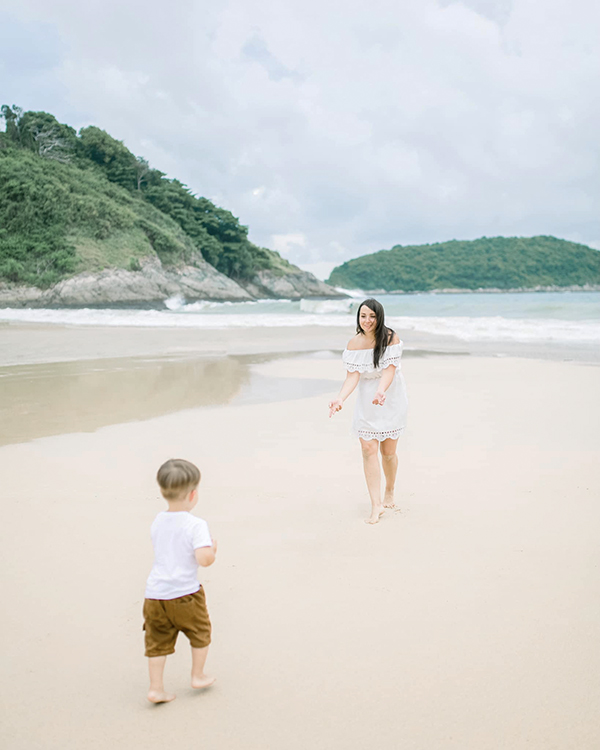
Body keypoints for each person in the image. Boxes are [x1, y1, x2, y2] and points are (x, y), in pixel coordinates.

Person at [143, 458, 218, 703]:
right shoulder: (196, 525)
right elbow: (203, 559)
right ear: (193, 494)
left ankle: (156, 688)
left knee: (157, 642)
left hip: (154, 595)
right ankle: (198, 675)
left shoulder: (158, 521)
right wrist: (213, 549)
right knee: (200, 633)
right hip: (185, 594)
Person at [329, 299, 408, 524]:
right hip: (367, 398)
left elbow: (389, 371)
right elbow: (352, 376)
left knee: (389, 453)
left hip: (390, 396)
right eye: (363, 316)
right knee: (367, 448)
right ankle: (376, 505)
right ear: (358, 317)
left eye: (372, 316)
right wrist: (340, 398)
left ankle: (390, 489)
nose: (367, 321)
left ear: (380, 317)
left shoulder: (391, 338)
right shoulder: (354, 344)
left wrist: (381, 391)